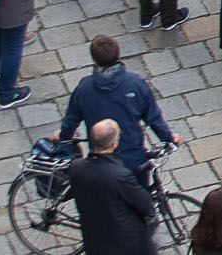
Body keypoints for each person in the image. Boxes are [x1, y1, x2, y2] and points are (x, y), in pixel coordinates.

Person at [58, 34, 177, 174]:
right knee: (139, 195)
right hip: (133, 159)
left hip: (101, 162)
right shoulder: (135, 84)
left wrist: (63, 140)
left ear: (94, 60)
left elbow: (71, 121)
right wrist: (169, 139)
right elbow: (153, 117)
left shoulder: (84, 88)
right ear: (118, 56)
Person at [63, 121, 157, 255]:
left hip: (94, 240)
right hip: (125, 242)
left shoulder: (76, 167)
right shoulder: (120, 176)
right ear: (114, 143)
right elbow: (145, 204)